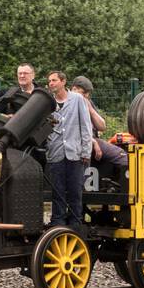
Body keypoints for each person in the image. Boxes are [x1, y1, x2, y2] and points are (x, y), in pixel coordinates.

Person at [45, 71, 92, 228]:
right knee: (57, 191)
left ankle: (75, 223)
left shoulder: (77, 99)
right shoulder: (48, 101)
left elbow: (86, 126)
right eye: (49, 81)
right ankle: (57, 222)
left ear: (63, 81)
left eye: (54, 80)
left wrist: (86, 151)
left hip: (75, 153)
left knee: (75, 191)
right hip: (55, 152)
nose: (51, 83)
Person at [71, 76, 128, 183]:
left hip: (93, 139)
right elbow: (72, 130)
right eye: (84, 92)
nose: (87, 96)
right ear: (74, 89)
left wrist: (90, 109)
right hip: (83, 141)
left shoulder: (87, 101)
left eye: (88, 93)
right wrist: (93, 142)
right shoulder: (69, 103)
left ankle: (118, 183)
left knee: (123, 151)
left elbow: (102, 126)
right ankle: (129, 184)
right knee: (122, 156)